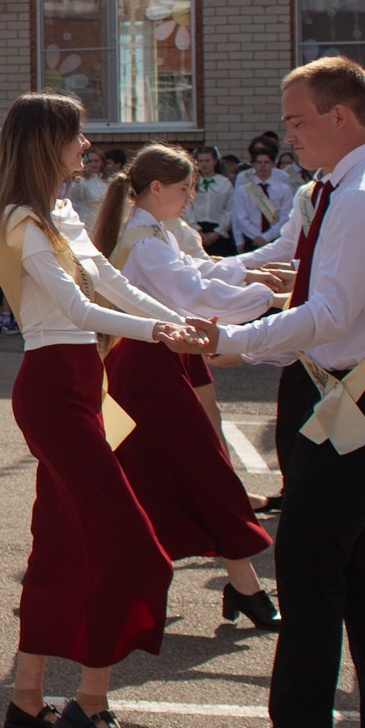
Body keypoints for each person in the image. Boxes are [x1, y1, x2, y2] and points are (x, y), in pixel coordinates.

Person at [197, 57, 365, 728]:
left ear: (342, 116)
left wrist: (231, 342)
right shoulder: (342, 187)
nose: (290, 134)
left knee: (307, 564)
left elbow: (329, 314)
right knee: (360, 570)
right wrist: (200, 281)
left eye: (300, 120)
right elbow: (284, 265)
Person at [0, 94, 201, 728]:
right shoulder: (18, 219)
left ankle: (27, 698)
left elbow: (108, 280)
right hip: (52, 385)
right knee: (132, 545)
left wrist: (176, 321)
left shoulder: (59, 211)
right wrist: (163, 332)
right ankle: (89, 705)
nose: (87, 144)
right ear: (52, 142)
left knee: (62, 542)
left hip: (78, 380)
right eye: (77, 134)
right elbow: (77, 305)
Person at [88, 146, 280, 630]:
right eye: (183, 188)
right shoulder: (147, 239)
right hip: (149, 363)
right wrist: (267, 297)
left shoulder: (155, 233)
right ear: (156, 188)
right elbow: (191, 292)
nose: (190, 196)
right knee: (193, 469)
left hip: (161, 358)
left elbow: (198, 273)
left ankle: (241, 585)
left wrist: (257, 283)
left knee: (173, 472)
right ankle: (242, 585)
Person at [229, 147, 291, 253]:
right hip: (251, 239)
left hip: (275, 239)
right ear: (253, 165)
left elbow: (286, 217)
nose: (262, 165)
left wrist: (266, 237)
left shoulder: (284, 189)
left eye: (266, 162)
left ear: (273, 164)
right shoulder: (243, 190)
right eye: (259, 162)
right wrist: (256, 236)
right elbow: (240, 217)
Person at [189, 151, 233, 256]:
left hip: (218, 230)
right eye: (200, 161)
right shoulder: (191, 183)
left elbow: (230, 210)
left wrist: (218, 232)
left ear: (215, 161)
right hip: (197, 229)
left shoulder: (225, 183)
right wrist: (197, 230)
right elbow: (187, 207)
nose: (204, 164)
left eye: (207, 160)